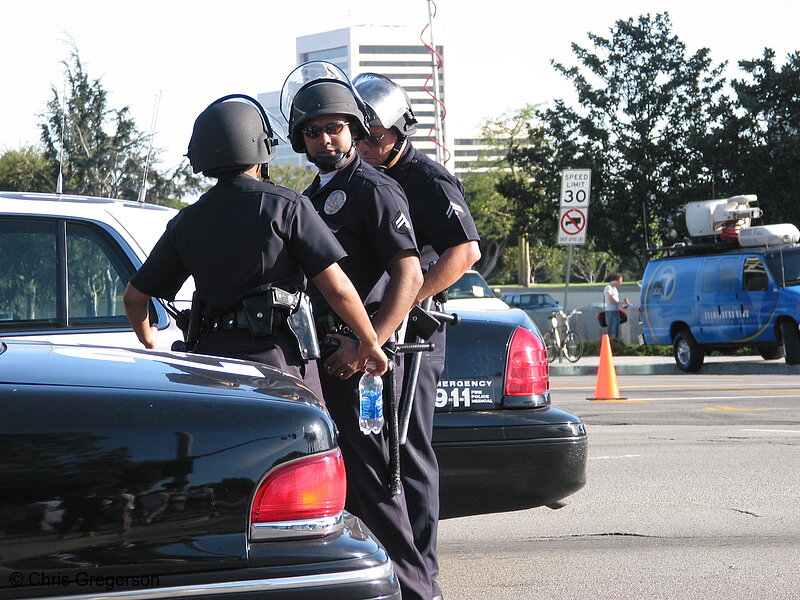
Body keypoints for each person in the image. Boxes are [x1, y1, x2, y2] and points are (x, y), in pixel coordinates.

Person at [281, 62, 431, 600]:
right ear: (301, 139)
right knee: (339, 491)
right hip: (323, 359)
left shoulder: (374, 189)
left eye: (336, 128)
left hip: (365, 367)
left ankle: (418, 591)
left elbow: (409, 273)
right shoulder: (312, 196)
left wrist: (372, 345)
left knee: (377, 489)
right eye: (315, 131)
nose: (326, 139)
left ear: (354, 129)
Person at [124, 94, 387, 400]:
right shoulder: (289, 207)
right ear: (264, 147)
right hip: (277, 366)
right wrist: (370, 340)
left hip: (210, 369)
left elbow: (134, 296)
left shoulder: (186, 220)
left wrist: (148, 340)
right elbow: (337, 287)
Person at [353, 72, 481, 600]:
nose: (365, 145)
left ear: (398, 130)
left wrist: (412, 297)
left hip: (414, 334)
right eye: (359, 134)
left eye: (374, 136)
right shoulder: (357, 178)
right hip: (373, 332)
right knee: (373, 448)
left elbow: (465, 251)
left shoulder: (424, 176)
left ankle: (423, 572)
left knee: (408, 448)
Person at [603, 272, 630, 339]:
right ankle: (611, 343)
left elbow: (616, 302)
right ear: (615, 280)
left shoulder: (615, 289)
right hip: (610, 311)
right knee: (612, 329)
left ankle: (615, 342)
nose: (620, 283)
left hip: (616, 311)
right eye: (619, 281)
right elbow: (611, 298)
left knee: (616, 329)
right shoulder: (608, 288)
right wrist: (620, 303)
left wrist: (624, 304)